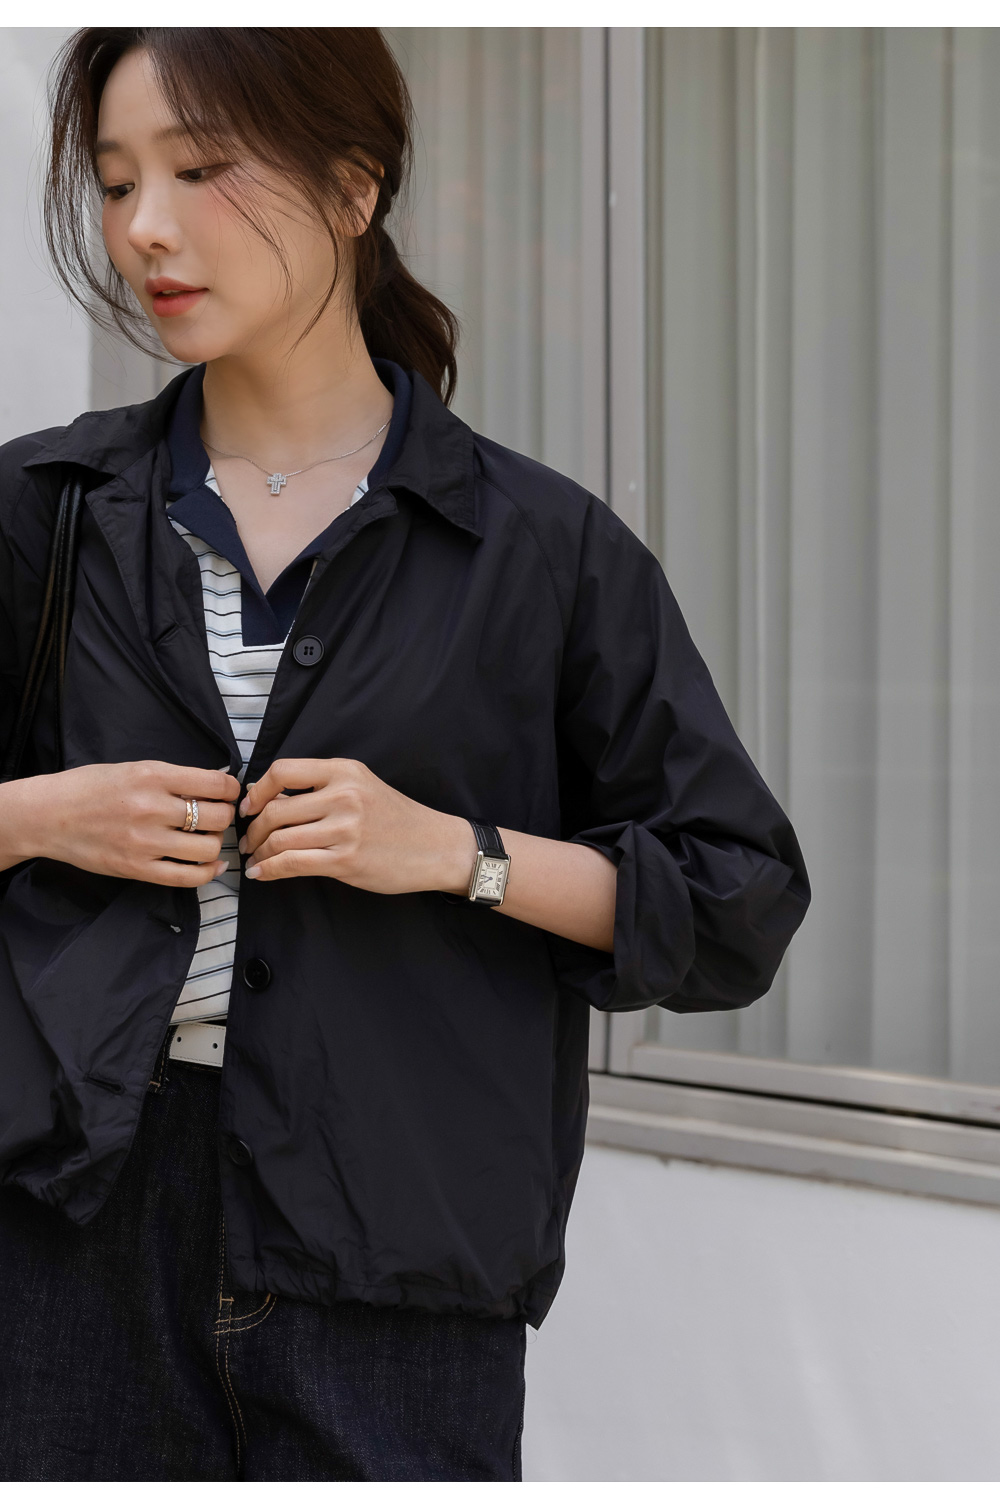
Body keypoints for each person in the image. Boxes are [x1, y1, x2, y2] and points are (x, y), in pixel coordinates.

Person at [0, 27, 810, 1484]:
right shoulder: (43, 509)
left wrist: (457, 854)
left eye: (199, 169)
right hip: (69, 1238)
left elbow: (736, 900)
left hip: (395, 1260)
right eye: (117, 183)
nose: (146, 228)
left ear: (353, 185)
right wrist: (42, 815)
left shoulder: (540, 550)